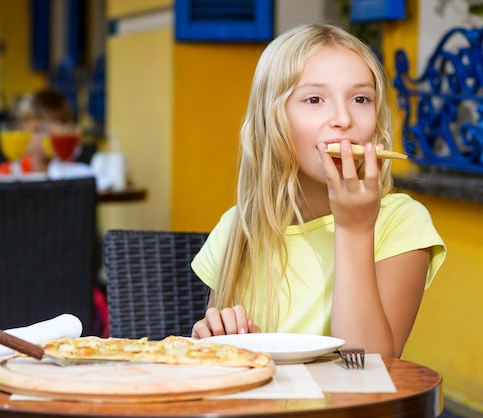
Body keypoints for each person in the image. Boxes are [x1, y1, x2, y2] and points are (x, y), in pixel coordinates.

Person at [190, 23, 447, 358]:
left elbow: (369, 364)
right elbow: (226, 362)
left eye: (360, 98)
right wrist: (217, 337)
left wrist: (355, 228)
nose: (343, 118)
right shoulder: (238, 228)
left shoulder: (402, 223)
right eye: (314, 99)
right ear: (272, 121)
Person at [0, 87, 73, 177]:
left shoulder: (73, 172)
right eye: (37, 130)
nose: (45, 138)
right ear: (22, 130)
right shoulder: (6, 173)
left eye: (53, 131)